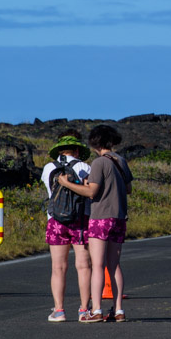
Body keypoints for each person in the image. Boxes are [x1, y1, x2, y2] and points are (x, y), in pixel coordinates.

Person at [61, 124, 133, 321]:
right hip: (119, 217)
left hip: (100, 217)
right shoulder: (121, 160)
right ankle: (118, 310)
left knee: (98, 265)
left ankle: (97, 309)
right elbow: (128, 189)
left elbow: (92, 192)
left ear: (95, 142)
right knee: (114, 265)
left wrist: (67, 184)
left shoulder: (99, 162)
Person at [41, 135, 94, 322]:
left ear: (59, 150)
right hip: (80, 220)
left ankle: (59, 310)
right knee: (83, 266)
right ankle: (84, 309)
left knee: (58, 267)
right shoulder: (84, 167)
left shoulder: (48, 168)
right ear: (77, 151)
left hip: (55, 220)